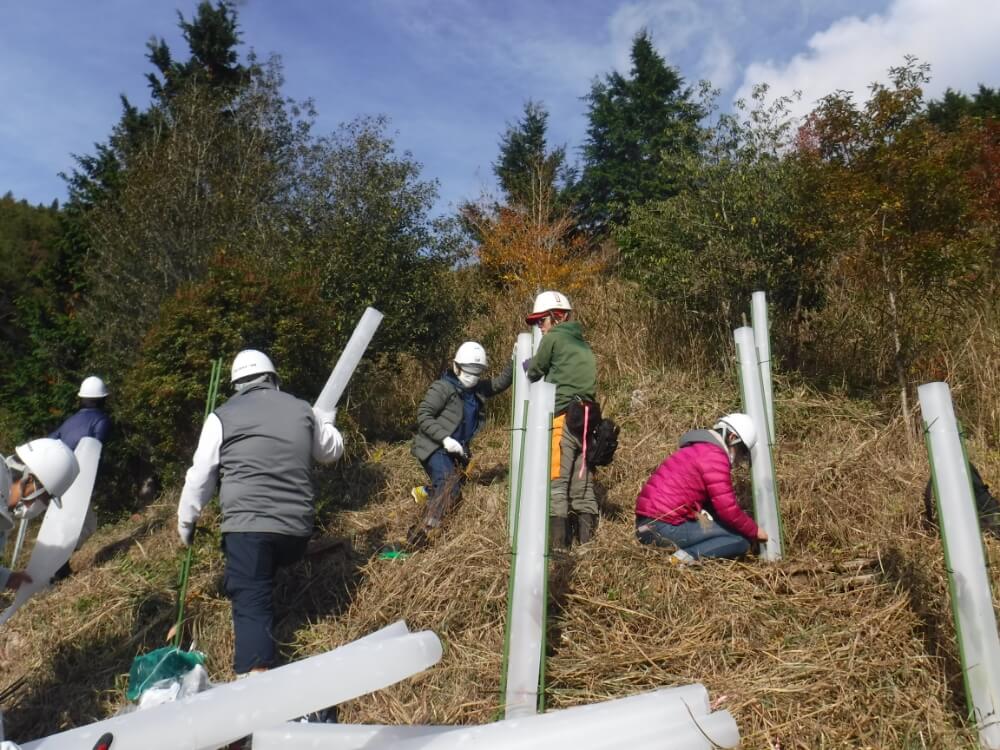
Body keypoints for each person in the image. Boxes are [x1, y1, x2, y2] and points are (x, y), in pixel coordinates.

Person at [176, 349, 343, 675]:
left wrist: (187, 521)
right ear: (273, 378)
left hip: (248, 527)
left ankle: (256, 678)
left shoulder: (221, 416)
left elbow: (200, 476)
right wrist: (326, 421)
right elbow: (330, 452)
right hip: (297, 530)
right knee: (255, 572)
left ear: (236, 384)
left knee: (249, 596)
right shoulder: (302, 409)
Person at [408, 341, 513, 547]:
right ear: (457, 367)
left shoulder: (476, 390)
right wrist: (445, 439)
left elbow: (500, 383)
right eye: (468, 369)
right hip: (435, 447)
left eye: (477, 370)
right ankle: (427, 530)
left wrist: (514, 361)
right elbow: (424, 415)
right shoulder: (442, 388)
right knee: (449, 484)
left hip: (457, 451)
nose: (472, 375)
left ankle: (425, 492)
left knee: (458, 484)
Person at [634, 413, 769, 563]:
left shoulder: (699, 449)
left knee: (730, 532)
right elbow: (728, 509)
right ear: (732, 438)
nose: (739, 460)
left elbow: (714, 506)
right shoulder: (715, 457)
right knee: (739, 540)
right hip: (661, 528)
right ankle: (679, 561)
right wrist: (755, 531)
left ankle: (679, 557)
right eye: (742, 451)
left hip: (646, 525)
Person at [523, 291, 598, 550]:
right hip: (587, 419)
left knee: (557, 481)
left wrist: (528, 365)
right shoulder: (582, 343)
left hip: (562, 418)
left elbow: (535, 372)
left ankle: (558, 549)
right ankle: (587, 546)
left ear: (557, 317)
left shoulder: (553, 338)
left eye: (541, 321)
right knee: (582, 482)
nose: (539, 328)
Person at [48, 375, 112, 580]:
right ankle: (56, 564)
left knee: (72, 524)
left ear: (81, 398)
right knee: (87, 525)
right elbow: (94, 451)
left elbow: (50, 441)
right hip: (79, 482)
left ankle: (60, 567)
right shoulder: (101, 420)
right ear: (103, 399)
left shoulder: (70, 421)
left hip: (59, 480)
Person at [1, 438, 80, 592]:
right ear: (30, 481)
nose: (41, 506)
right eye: (44, 498)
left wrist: (7, 578)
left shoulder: (4, 516)